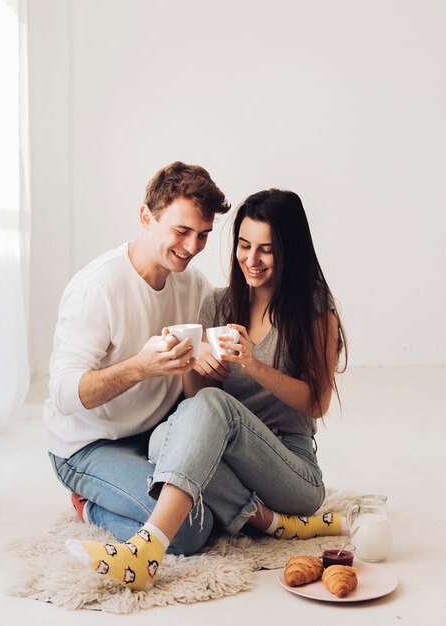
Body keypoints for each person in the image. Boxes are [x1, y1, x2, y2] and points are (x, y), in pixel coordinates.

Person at [67, 188, 349, 591]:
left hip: (290, 465)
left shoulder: (315, 310)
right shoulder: (217, 305)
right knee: (162, 438)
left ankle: (149, 546)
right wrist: (190, 362)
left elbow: (316, 403)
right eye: (244, 245)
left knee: (197, 418)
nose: (251, 260)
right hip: (228, 464)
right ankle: (269, 522)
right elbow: (195, 400)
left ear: (290, 250)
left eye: (266, 250)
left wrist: (254, 365)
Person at [44, 161, 231, 556]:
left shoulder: (193, 283)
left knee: (232, 505)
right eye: (182, 231)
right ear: (146, 217)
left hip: (153, 436)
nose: (193, 247)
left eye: (203, 235)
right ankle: (89, 506)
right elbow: (64, 394)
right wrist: (140, 367)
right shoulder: (97, 288)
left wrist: (206, 357)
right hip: (87, 446)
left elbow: (200, 374)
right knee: (191, 530)